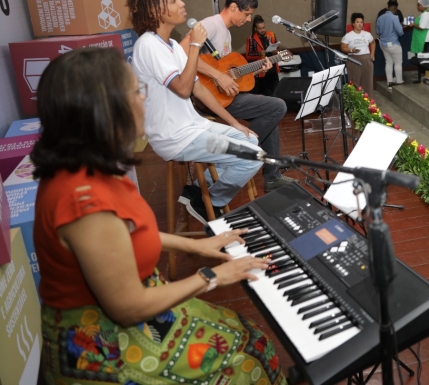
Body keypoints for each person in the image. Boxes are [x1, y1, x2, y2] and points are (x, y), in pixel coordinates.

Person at [31, 48, 287, 385]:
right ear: (105, 110)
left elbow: (128, 234)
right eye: (137, 91)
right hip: (101, 340)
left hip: (136, 302)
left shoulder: (92, 165)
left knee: (249, 338)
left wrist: (198, 246)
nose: (145, 99)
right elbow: (128, 308)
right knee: (246, 361)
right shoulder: (83, 202)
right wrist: (213, 276)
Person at [129, 0, 266, 223]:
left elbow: (199, 89)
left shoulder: (171, 44)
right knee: (253, 156)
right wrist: (194, 45)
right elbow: (183, 89)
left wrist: (234, 123)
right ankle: (208, 200)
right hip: (175, 136)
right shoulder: (148, 45)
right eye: (174, 0)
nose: (182, 4)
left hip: (194, 126)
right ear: (154, 10)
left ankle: (199, 191)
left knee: (250, 139)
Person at [188, 0, 294, 195]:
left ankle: (272, 176)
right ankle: (232, 156)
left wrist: (256, 70)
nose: (248, 20)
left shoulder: (226, 33)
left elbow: (229, 74)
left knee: (270, 112)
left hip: (224, 96)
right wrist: (218, 76)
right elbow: (185, 56)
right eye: (246, 14)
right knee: (277, 106)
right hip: (206, 98)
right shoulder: (211, 25)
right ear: (234, 7)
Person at [244, 14, 280, 97]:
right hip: (261, 70)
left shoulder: (271, 35)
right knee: (265, 94)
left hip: (273, 69)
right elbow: (248, 55)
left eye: (264, 27)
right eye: (260, 28)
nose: (263, 30)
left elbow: (277, 47)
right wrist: (259, 54)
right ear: (255, 28)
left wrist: (276, 51)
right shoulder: (251, 39)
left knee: (276, 92)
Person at [341, 12, 375, 94]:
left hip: (366, 59)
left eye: (361, 22)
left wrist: (372, 54)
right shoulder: (348, 36)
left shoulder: (367, 34)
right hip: (354, 60)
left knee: (367, 81)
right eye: (357, 22)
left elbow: (373, 43)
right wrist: (351, 50)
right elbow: (343, 47)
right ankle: (355, 100)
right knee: (354, 82)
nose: (360, 24)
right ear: (353, 24)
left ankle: (367, 100)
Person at [376, 1, 405, 87]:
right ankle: (399, 81)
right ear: (395, 8)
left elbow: (377, 31)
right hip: (394, 44)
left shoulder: (380, 18)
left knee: (388, 62)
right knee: (398, 63)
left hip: (383, 45)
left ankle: (390, 81)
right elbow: (400, 32)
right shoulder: (394, 17)